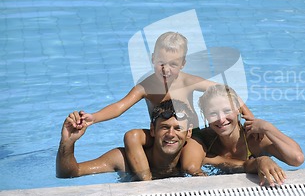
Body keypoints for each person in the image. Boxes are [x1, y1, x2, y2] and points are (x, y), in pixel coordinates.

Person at [71, 32, 252, 180]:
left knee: (190, 166)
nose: (166, 70)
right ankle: (146, 181)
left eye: (173, 64)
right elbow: (119, 107)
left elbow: (226, 91)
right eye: (161, 63)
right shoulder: (146, 86)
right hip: (162, 132)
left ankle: (202, 180)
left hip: (190, 135)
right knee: (131, 136)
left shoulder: (187, 81)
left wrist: (249, 118)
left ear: (183, 64)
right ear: (152, 59)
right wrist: (93, 117)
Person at [184, 84, 305, 186]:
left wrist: (268, 128)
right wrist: (258, 162)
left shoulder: (255, 139)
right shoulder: (204, 140)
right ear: (204, 115)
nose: (221, 119)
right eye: (213, 113)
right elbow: (191, 168)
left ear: (238, 110)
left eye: (227, 111)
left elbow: (297, 159)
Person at [57, 99, 194, 179]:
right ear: (152, 130)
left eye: (178, 128)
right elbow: (70, 172)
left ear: (188, 132)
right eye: (164, 127)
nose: (170, 134)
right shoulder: (122, 160)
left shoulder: (193, 160)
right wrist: (67, 143)